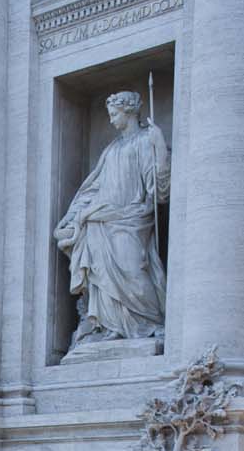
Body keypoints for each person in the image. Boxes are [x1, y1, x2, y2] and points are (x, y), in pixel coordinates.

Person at [54, 90, 170, 348]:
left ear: (129, 112)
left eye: (115, 114)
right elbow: (93, 188)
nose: (111, 120)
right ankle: (110, 326)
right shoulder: (111, 149)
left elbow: (158, 191)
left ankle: (152, 322)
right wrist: (73, 217)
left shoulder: (145, 141)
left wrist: (160, 146)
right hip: (100, 221)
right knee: (102, 278)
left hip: (132, 218)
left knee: (134, 270)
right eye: (109, 115)